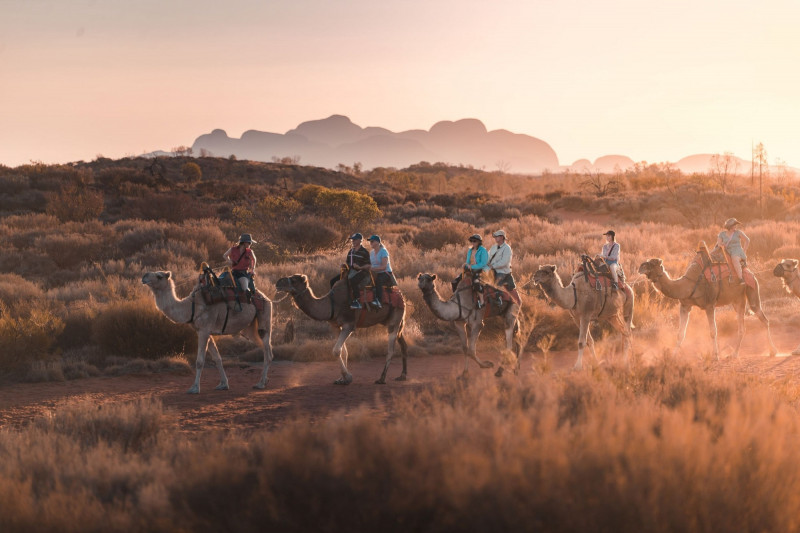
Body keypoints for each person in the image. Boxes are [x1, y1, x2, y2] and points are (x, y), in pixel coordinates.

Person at [339, 233, 371, 309]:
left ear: (360, 241)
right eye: (352, 240)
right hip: (352, 272)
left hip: (363, 273)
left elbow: (369, 265)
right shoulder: (350, 252)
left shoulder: (365, 252)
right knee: (335, 281)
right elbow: (348, 263)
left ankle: (357, 301)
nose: (353, 241)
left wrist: (360, 267)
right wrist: (344, 266)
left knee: (353, 281)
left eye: (355, 240)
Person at [715, 218, 750, 284]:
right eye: (734, 225)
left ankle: (740, 279)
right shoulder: (721, 234)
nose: (735, 227)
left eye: (735, 225)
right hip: (726, 251)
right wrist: (722, 244)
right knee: (715, 259)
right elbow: (719, 244)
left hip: (737, 250)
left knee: (734, 259)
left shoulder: (738, 232)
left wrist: (744, 250)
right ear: (729, 226)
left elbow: (747, 240)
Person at [367, 235, 397, 310]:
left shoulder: (383, 251)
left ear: (377, 242)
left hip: (385, 273)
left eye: (372, 241)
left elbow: (384, 266)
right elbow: (370, 264)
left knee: (378, 281)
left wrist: (372, 268)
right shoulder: (371, 253)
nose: (370, 243)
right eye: (370, 241)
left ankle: (378, 301)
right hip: (375, 272)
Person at [487, 229, 514, 307]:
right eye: (494, 236)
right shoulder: (493, 247)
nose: (495, 238)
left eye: (497, 236)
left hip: (502, 272)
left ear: (502, 237)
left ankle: (499, 300)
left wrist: (493, 266)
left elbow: (505, 262)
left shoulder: (507, 248)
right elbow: (488, 257)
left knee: (496, 284)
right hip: (492, 270)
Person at [462, 234, 489, 308]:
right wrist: (465, 265)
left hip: (481, 270)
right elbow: (468, 261)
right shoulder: (470, 251)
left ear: (479, 242)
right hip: (472, 270)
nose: (473, 242)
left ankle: (482, 301)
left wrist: (472, 266)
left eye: (474, 241)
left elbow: (483, 263)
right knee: (456, 281)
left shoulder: (483, 250)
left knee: (475, 282)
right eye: (471, 241)